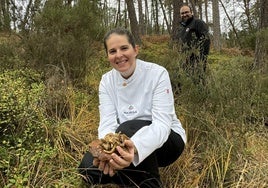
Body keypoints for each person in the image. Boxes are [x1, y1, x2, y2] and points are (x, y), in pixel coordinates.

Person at [78, 28, 186, 187]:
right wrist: (109, 156)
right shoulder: (106, 81)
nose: (119, 55)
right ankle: (130, 177)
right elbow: (107, 123)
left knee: (128, 128)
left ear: (135, 50)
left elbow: (162, 125)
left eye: (124, 48)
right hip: (122, 143)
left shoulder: (157, 74)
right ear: (108, 56)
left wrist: (134, 148)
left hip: (168, 141)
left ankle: (150, 184)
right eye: (112, 51)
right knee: (87, 170)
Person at [176, 4, 210, 84]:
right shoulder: (181, 28)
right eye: (182, 13)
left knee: (198, 82)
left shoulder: (198, 23)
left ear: (191, 12)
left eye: (186, 12)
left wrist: (201, 59)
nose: (184, 14)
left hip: (197, 61)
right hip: (184, 62)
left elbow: (206, 40)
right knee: (184, 84)